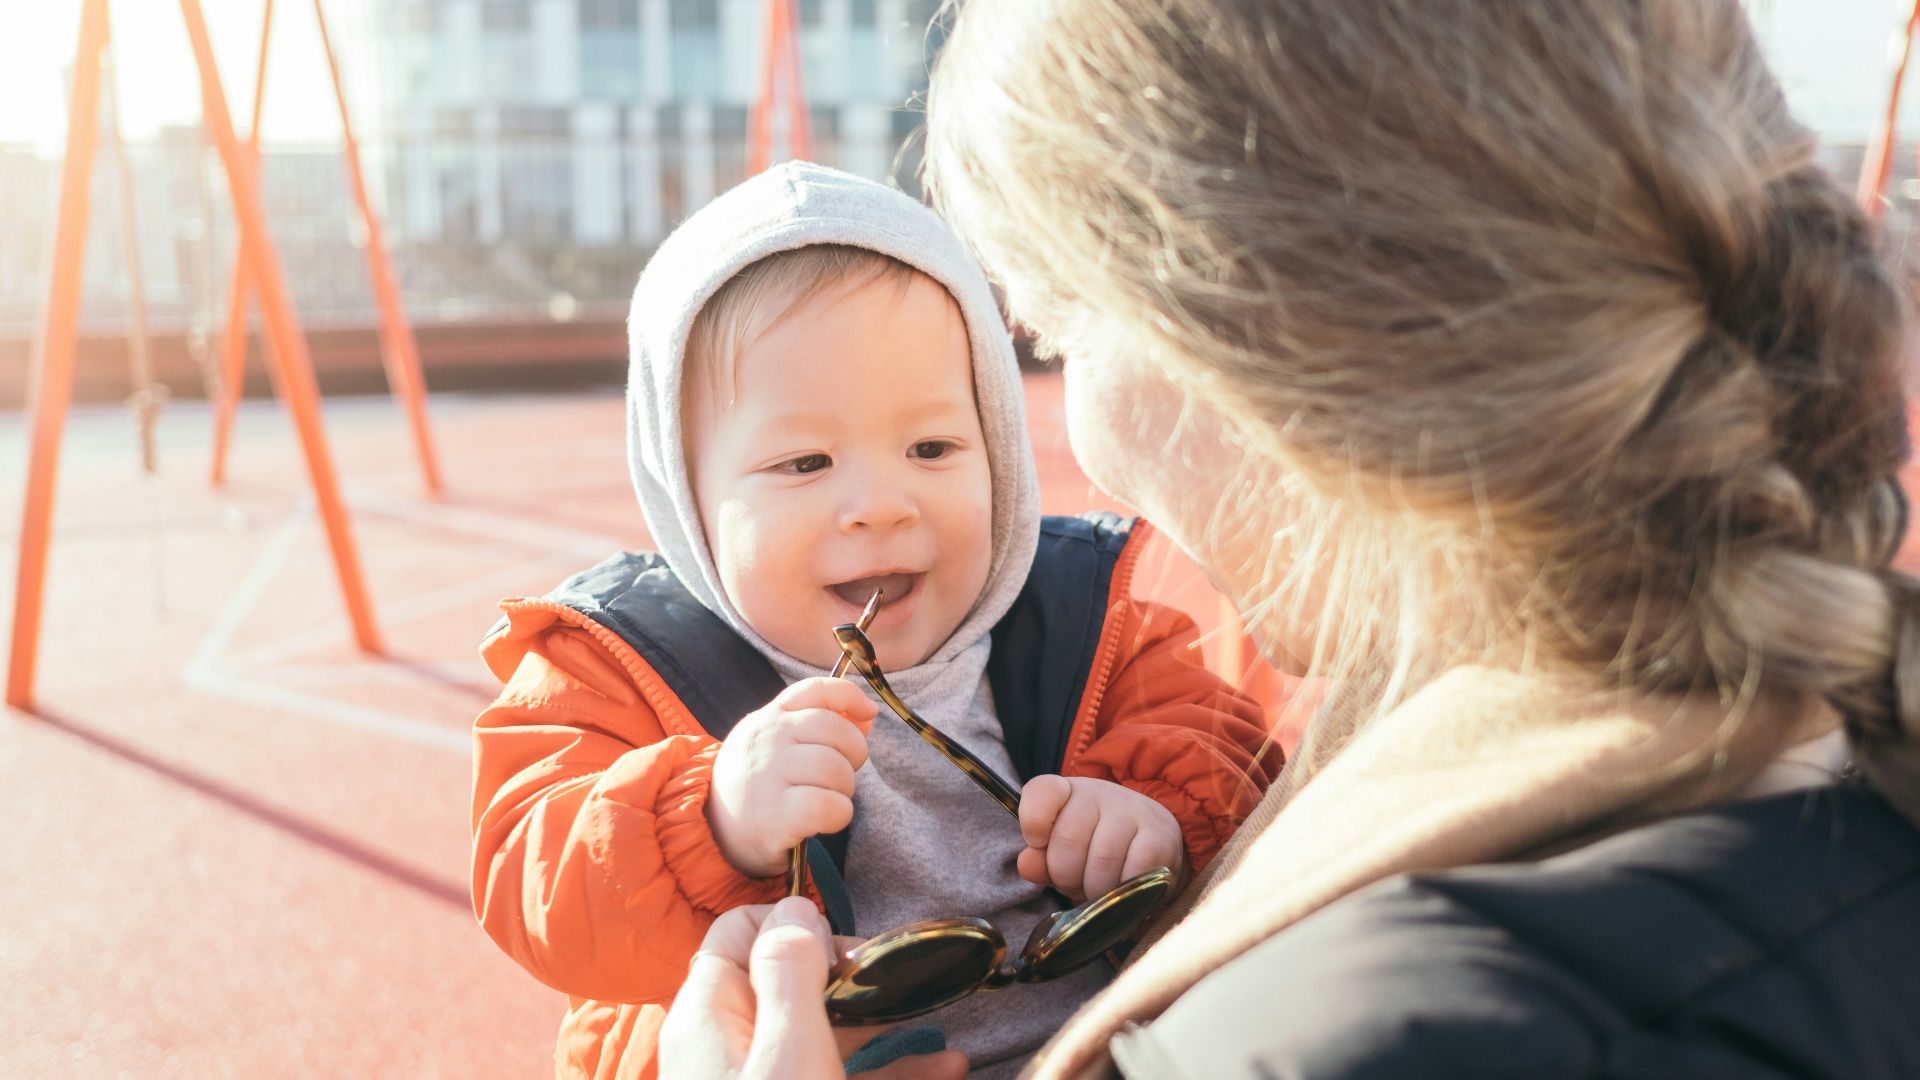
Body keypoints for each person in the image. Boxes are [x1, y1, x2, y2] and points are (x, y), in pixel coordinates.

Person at [659, 1, 1920, 1077]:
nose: (1082, 442)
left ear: (1257, 349)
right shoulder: (1838, 775)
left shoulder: (1358, 1034)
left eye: (1064, 332)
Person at [469, 161, 1281, 1080]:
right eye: (805, 462)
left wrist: (1162, 821)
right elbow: (527, 884)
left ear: (1000, 454)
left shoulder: (1092, 616)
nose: (880, 505)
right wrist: (712, 816)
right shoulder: (614, 665)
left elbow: (1239, 759)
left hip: (1112, 1047)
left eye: (932, 447)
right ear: (687, 497)